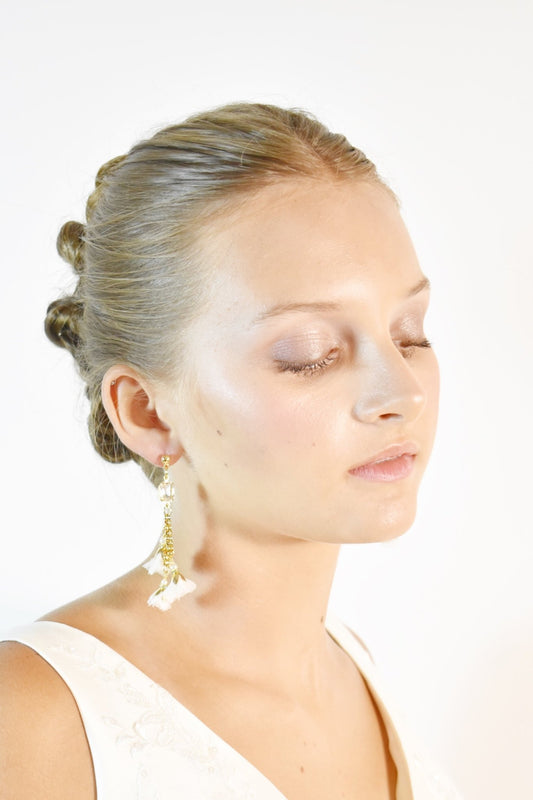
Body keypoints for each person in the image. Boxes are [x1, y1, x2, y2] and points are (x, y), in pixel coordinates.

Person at [0, 103, 461, 799]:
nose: (400, 391)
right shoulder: (36, 720)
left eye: (409, 332)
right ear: (147, 411)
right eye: (311, 354)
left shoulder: (356, 668)